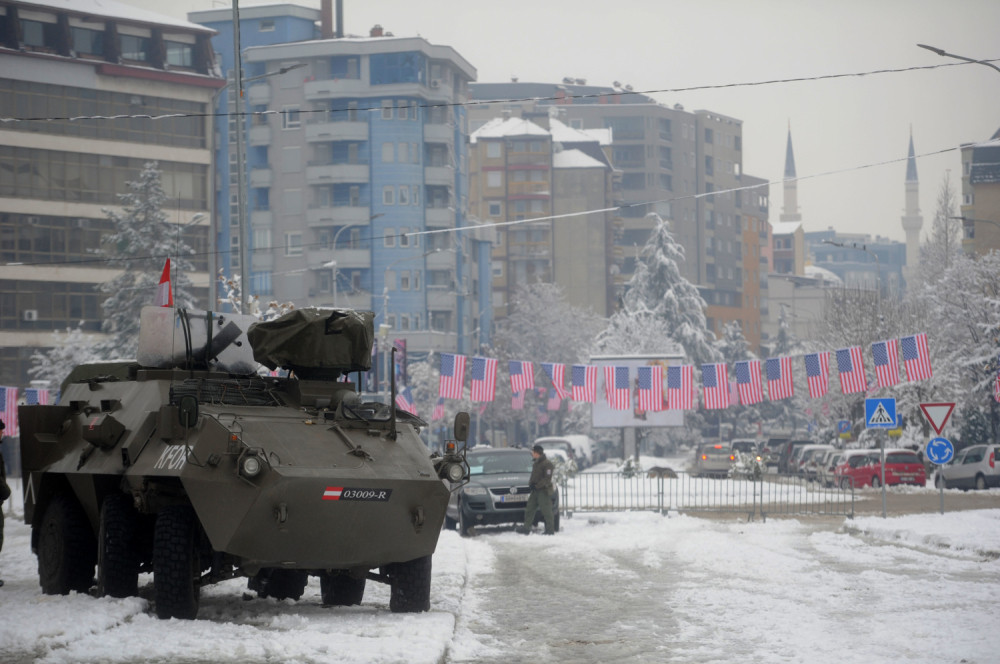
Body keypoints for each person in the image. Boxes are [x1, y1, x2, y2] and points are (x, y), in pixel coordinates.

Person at [517, 444, 555, 535]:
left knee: (546, 510)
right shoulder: (536, 462)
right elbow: (534, 476)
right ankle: (526, 527)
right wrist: (531, 484)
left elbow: (547, 479)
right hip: (535, 491)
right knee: (530, 508)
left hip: (543, 491)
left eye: (533, 452)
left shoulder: (547, 464)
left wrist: (537, 486)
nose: (532, 454)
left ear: (537, 452)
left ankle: (550, 530)